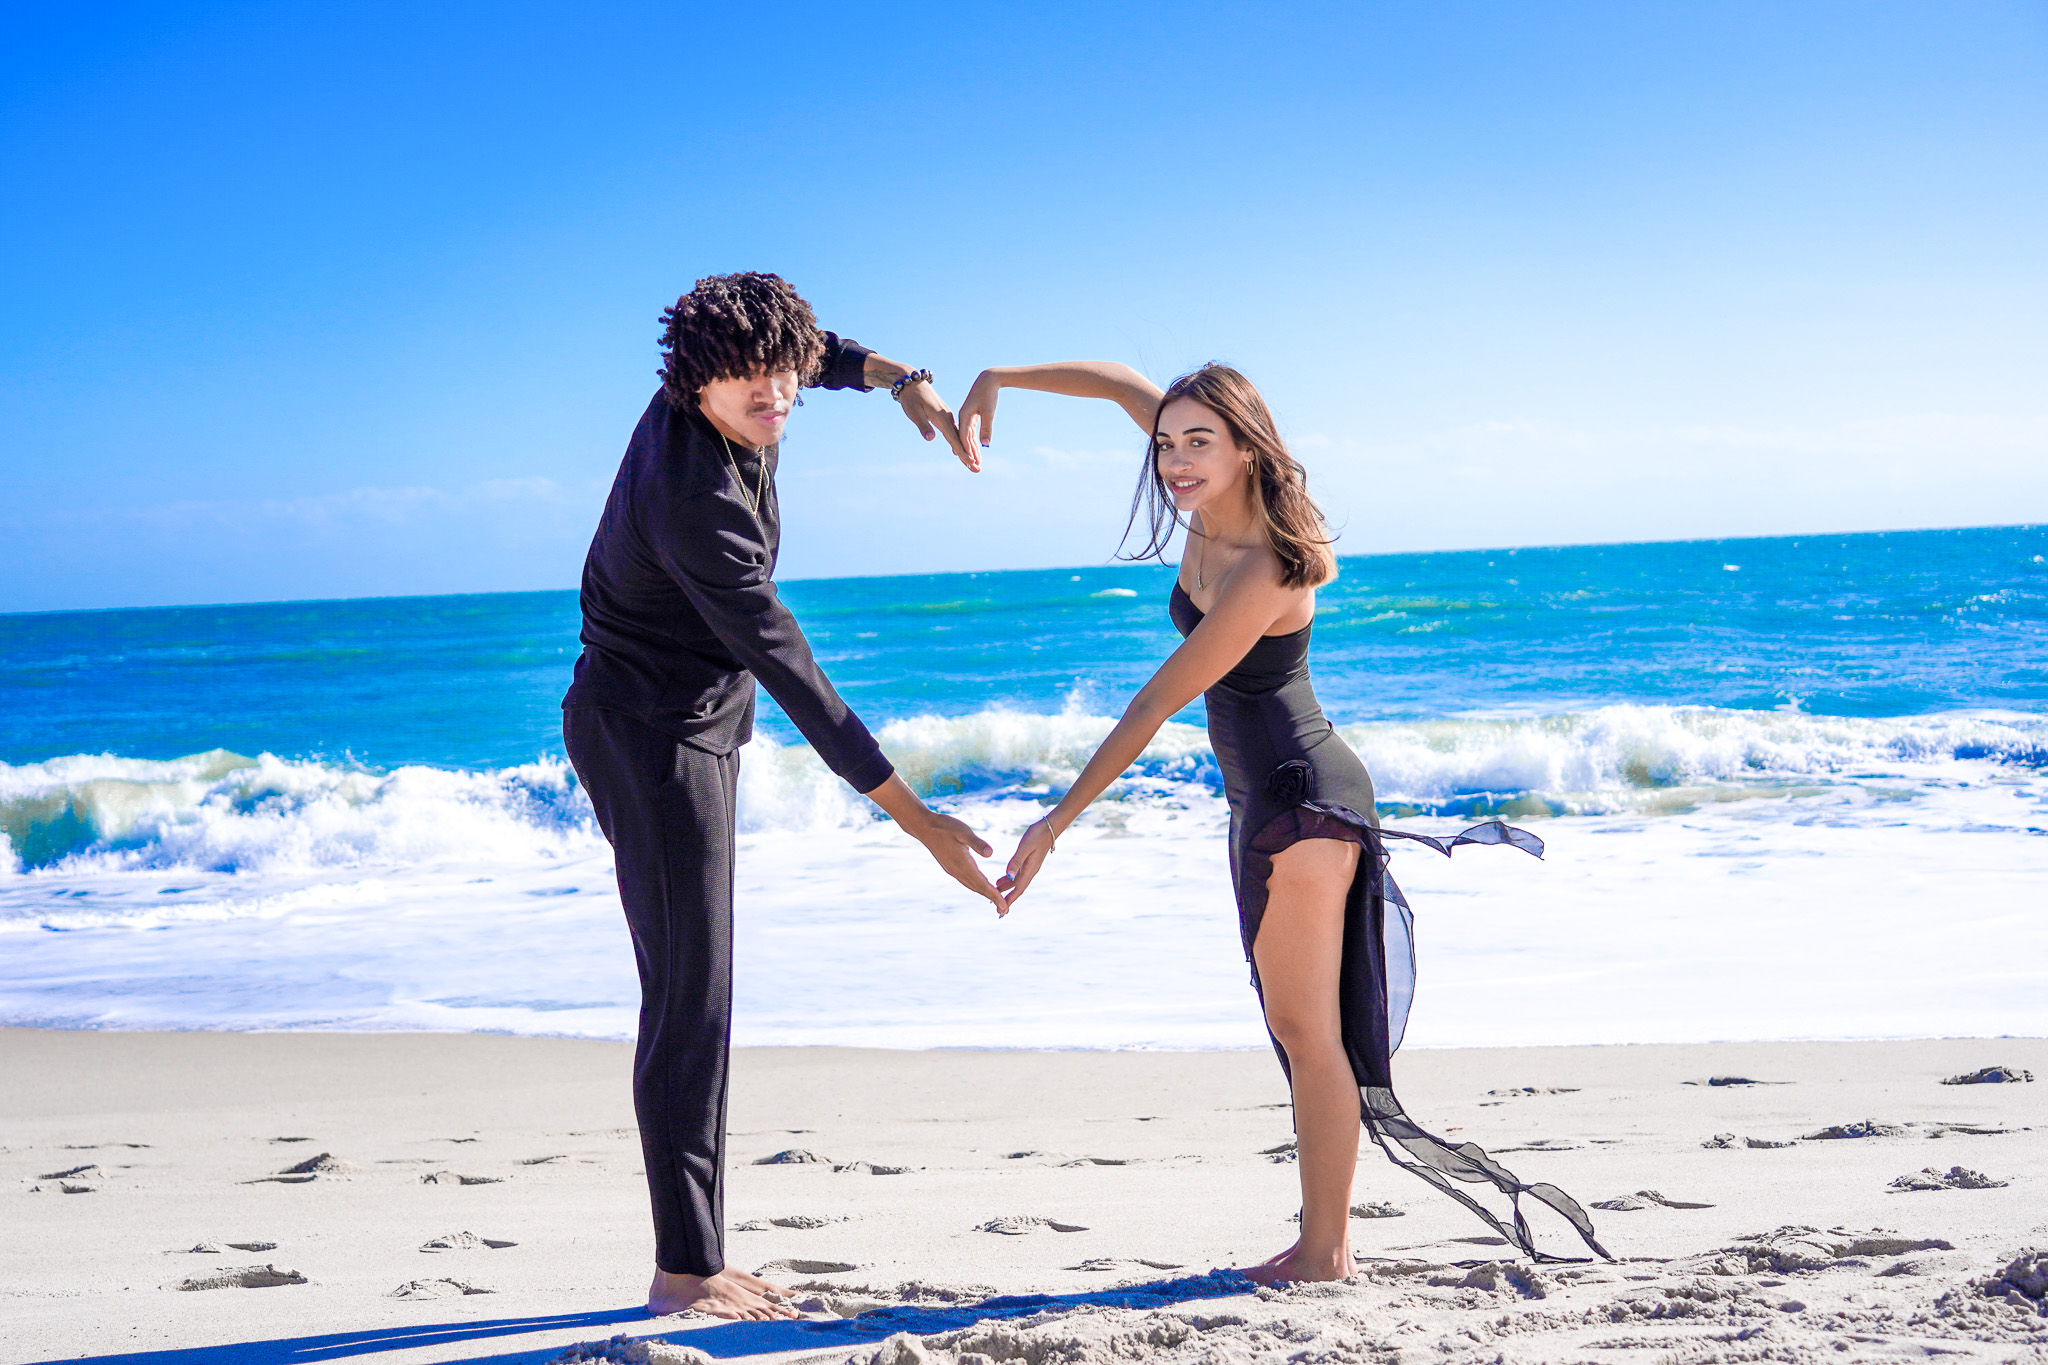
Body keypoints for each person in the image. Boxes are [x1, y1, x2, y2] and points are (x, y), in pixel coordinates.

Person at [958, 360, 1609, 1278]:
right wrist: (999, 378)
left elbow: (1155, 704)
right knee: (1292, 1025)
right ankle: (1323, 1243)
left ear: (1243, 446)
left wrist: (1056, 820)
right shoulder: (1202, 485)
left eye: (1197, 443)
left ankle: (1325, 1250)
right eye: (1168, 442)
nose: (1176, 459)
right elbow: (1121, 387)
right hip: (1257, 799)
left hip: (1303, 798)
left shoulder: (1264, 563)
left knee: (1310, 1034)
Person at [562, 272, 1006, 1321]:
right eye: (749, 379)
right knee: (690, 995)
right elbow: (793, 673)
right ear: (694, 380)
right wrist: (921, 824)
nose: (775, 394)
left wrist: (900, 379)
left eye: (784, 374)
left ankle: (692, 1250)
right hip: (649, 738)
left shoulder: (745, 380)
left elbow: (815, 349)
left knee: (696, 986)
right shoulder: (696, 501)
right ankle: (684, 1269)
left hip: (694, 726)